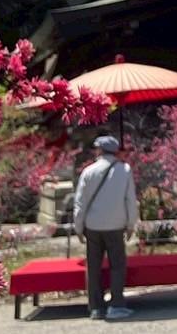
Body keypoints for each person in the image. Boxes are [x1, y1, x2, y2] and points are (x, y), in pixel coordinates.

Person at [73, 135, 138, 321]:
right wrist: (131, 224)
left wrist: (78, 227)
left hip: (92, 225)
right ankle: (116, 304)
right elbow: (130, 201)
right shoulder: (124, 170)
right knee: (117, 265)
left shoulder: (88, 171)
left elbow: (80, 202)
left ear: (99, 150)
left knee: (93, 267)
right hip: (116, 225)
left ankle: (96, 308)